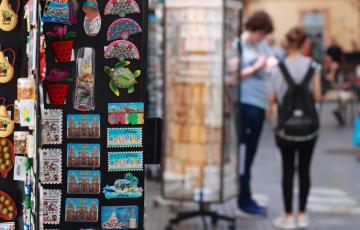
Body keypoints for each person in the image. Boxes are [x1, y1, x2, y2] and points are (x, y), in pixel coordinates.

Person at [268, 27, 322, 229]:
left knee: (287, 170)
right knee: (305, 170)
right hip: (309, 128)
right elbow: (317, 96)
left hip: (286, 129)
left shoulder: (276, 69)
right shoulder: (314, 67)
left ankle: (288, 215)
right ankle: (303, 213)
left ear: (287, 44)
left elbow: (272, 99)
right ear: (305, 44)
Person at [236, 10, 274, 217]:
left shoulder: (261, 45)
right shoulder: (238, 46)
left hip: (259, 104)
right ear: (252, 29)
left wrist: (270, 65)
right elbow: (233, 75)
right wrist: (256, 66)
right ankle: (244, 199)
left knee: (250, 155)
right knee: (245, 155)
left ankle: (245, 196)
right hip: (246, 104)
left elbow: (272, 62)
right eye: (261, 33)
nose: (263, 38)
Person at [322, 44, 352, 126]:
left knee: (347, 95)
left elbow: (342, 82)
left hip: (336, 90)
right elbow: (330, 82)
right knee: (346, 96)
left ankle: (339, 111)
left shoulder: (340, 65)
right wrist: (332, 70)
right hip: (327, 91)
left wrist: (344, 85)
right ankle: (338, 111)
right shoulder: (327, 66)